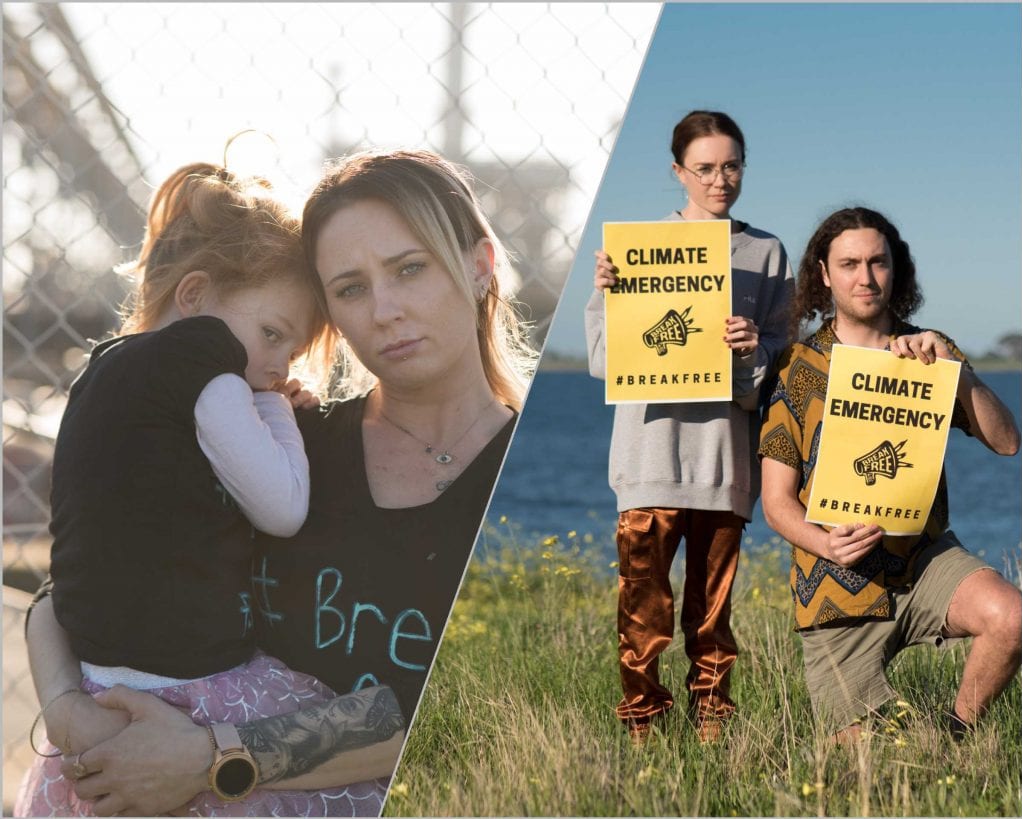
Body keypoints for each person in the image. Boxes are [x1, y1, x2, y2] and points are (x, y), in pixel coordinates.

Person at [22, 149, 533, 816]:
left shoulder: (528, 488)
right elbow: (80, 579)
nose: (384, 310)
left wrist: (212, 756)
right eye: (350, 288)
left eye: (410, 268)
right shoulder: (281, 446)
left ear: (479, 264)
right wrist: (66, 709)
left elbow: (469, 708)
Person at [758, 206, 1021, 743]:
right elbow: (776, 502)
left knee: (1012, 618)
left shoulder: (928, 351)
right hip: (837, 584)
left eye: (878, 262)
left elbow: (1007, 442)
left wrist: (956, 371)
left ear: (895, 270)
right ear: (825, 275)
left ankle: (957, 740)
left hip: (922, 559)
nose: (865, 276)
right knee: (870, 753)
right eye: (850, 263)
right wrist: (826, 545)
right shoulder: (798, 367)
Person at [585, 110, 794, 743]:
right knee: (642, 612)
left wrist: (752, 349)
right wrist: (616, 301)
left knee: (712, 617)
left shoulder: (767, 252)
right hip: (648, 457)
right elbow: (601, 361)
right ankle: (643, 732)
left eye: (731, 165)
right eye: (704, 168)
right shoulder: (634, 251)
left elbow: (781, 369)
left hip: (723, 462)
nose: (719, 179)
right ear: (678, 172)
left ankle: (713, 732)